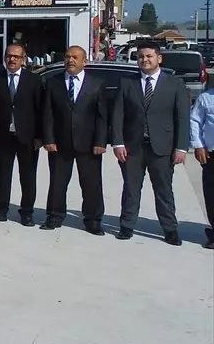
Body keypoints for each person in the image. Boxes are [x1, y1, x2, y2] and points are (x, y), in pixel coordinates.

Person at [111, 40, 189, 244]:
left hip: (163, 148)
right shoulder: (127, 83)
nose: (144, 60)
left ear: (159, 58)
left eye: (149, 56)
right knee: (131, 189)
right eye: (140, 57)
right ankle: (126, 226)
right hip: (132, 147)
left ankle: (170, 229)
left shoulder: (175, 84)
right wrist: (118, 143)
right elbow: (117, 115)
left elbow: (182, 118)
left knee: (163, 190)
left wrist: (181, 147)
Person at [42, 46, 108, 235]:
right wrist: (49, 138)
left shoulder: (96, 83)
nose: (70, 60)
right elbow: (48, 114)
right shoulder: (53, 82)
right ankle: (54, 216)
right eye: (68, 57)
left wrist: (100, 142)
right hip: (60, 143)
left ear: (84, 62)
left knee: (91, 183)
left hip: (89, 144)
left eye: (75, 57)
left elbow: (102, 117)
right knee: (57, 182)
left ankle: (93, 220)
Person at [0, 43, 44, 226]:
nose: (12, 59)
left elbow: (40, 110)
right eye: (9, 56)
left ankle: (26, 212)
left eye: (16, 57)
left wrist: (40, 136)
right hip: (3, 136)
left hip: (27, 137)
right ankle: (0, 209)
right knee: (2, 175)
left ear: (23, 60)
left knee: (27, 176)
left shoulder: (34, 80)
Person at [190, 86, 214, 250]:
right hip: (211, 153)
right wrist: (198, 146)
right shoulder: (205, 97)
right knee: (212, 195)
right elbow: (195, 121)